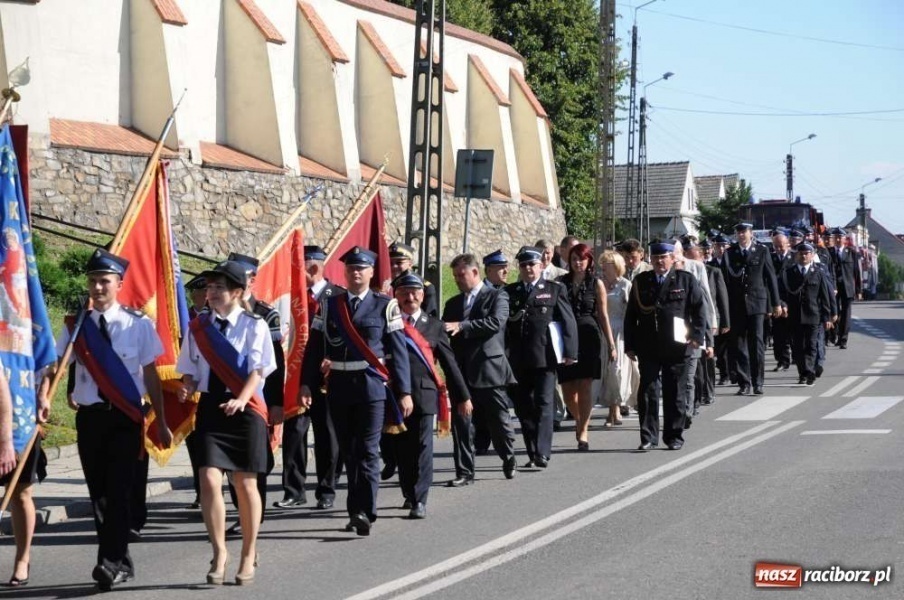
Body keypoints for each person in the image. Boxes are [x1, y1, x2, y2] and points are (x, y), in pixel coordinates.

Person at [41, 248, 172, 591]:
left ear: (119, 284)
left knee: (118, 491)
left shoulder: (138, 324)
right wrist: (43, 396)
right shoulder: (77, 325)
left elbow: (151, 375)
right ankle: (120, 561)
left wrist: (161, 421)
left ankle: (108, 563)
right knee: (98, 493)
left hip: (126, 418)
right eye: (93, 281)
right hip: (90, 420)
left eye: (104, 281)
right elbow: (57, 365)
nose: (97, 287)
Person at [298, 247, 412, 537]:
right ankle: (354, 511)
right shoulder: (329, 305)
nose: (356, 272)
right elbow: (314, 347)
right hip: (338, 385)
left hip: (371, 385)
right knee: (348, 451)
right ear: (345, 273)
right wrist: (306, 383)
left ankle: (366, 511)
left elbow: (398, 353)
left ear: (372, 272)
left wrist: (404, 391)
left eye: (361, 268)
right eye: (350, 268)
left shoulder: (385, 306)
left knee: (367, 450)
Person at [176, 260, 274, 585]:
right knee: (207, 479)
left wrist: (243, 399)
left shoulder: (254, 324)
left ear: (237, 292)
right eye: (209, 287)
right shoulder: (199, 327)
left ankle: (248, 552)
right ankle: (219, 551)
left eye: (219, 287)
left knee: (245, 484)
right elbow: (188, 367)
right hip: (211, 410)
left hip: (245, 411)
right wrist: (187, 385)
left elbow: (259, 369)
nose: (212, 293)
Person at [393, 272, 469, 518]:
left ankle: (420, 498)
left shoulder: (434, 326)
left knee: (424, 446)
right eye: (404, 292)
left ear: (422, 296)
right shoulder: (390, 323)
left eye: (414, 292)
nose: (410, 297)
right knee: (402, 449)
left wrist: (463, 396)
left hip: (425, 395)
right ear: (396, 296)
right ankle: (408, 492)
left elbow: (450, 364)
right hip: (396, 395)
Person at [443, 253, 518, 485]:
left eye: (461, 275)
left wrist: (463, 326)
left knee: (498, 421)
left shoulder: (497, 296)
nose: (457, 279)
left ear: (475, 273)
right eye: (455, 276)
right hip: (462, 371)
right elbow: (445, 331)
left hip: (489, 369)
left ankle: (508, 455)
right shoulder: (453, 304)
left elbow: (495, 323)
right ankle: (465, 472)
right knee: (462, 425)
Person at [223, 253, 284, 535]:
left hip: (257, 399)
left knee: (255, 461)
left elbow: (275, 364)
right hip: (225, 399)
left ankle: (252, 514)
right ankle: (243, 511)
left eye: (244, 277)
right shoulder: (216, 313)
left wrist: (276, 403)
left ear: (251, 280)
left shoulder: (266, 314)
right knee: (230, 465)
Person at [624, 243, 706, 451]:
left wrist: (697, 336)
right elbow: (631, 315)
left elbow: (698, 310)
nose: (660, 261)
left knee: (675, 391)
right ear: (650, 260)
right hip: (648, 344)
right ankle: (648, 437)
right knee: (648, 391)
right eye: (656, 258)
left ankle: (673, 435)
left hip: (677, 345)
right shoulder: (641, 281)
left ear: (672, 259)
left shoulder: (685, 280)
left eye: (664, 257)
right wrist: (630, 344)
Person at [505, 247, 577, 468]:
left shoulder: (554, 289)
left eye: (532, 264)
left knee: (544, 404)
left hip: (545, 356)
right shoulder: (511, 292)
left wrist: (570, 352)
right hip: (517, 359)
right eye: (524, 265)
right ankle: (533, 450)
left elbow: (568, 321)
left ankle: (543, 452)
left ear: (541, 266)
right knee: (523, 407)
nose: (528, 268)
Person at [292, 245, 343, 511]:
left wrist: (336, 360)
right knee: (296, 434)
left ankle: (327, 489)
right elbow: (304, 344)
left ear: (313, 267)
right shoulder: (293, 297)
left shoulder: (338, 297)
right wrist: (302, 381)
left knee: (327, 435)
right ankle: (294, 489)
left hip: (332, 379)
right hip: (301, 377)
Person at [556, 244, 615, 450]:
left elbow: (603, 315)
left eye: (581, 259)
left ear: (589, 260)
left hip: (589, 337)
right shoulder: (560, 282)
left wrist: (611, 344)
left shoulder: (596, 283)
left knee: (585, 385)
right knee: (567, 390)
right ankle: (580, 418)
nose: (578, 263)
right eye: (574, 259)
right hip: (566, 339)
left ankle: (583, 431)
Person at [1, 359, 48, 588]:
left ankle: (22, 559)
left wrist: (42, 397)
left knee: (20, 493)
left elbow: (47, 360)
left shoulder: (25, 322)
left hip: (21, 416)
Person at [723, 223, 781, 396]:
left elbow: (770, 278)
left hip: (757, 303)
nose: (741, 235)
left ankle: (758, 382)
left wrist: (776, 303)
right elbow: (726, 280)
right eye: (738, 232)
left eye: (744, 232)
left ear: (750, 233)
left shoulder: (762, 250)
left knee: (757, 344)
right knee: (739, 344)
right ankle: (744, 382)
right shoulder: (730, 253)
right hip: (737, 304)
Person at [781, 243, 833, 385]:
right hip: (795, 316)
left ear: (812, 255)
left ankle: (809, 371)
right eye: (801, 253)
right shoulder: (789, 272)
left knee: (811, 345)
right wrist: (783, 305)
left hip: (813, 314)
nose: (804, 256)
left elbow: (824, 296)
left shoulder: (818, 272)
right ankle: (802, 372)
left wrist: (827, 316)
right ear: (796, 255)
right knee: (798, 347)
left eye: (807, 253)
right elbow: (782, 293)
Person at [598, 250, 638, 425]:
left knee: (616, 370)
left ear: (616, 266)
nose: (604, 268)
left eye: (607, 264)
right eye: (603, 264)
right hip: (603, 331)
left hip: (620, 332)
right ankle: (611, 410)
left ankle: (617, 408)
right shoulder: (599, 284)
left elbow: (632, 311)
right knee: (606, 373)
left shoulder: (625, 285)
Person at [386, 241, 438, 317]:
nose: (394, 267)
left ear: (410, 264)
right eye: (390, 263)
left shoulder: (425, 287)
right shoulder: (385, 285)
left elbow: (429, 321)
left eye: (399, 263)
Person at [829, 228, 862, 349]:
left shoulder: (851, 252)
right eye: (835, 237)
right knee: (835, 311)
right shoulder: (829, 252)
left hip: (847, 287)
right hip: (834, 287)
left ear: (844, 239)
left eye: (840, 237)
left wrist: (859, 290)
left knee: (846, 313)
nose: (837, 239)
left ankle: (843, 339)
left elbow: (857, 273)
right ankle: (836, 333)